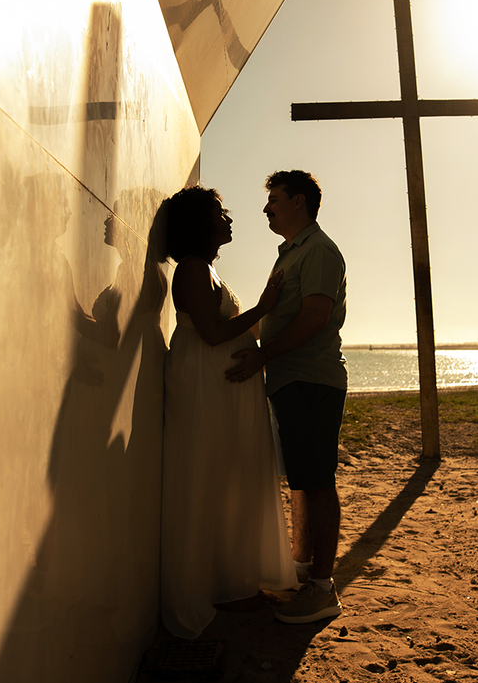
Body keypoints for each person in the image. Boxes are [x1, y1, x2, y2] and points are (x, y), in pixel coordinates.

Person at [159, 185, 297, 639]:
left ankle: (232, 582)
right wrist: (265, 305)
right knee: (208, 479)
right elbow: (213, 333)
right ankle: (220, 587)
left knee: (226, 481)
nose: (231, 220)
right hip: (204, 388)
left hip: (218, 389)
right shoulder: (194, 270)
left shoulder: (209, 270)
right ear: (201, 225)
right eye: (221, 214)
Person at [226, 170, 347, 624]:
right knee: (301, 478)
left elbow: (316, 316)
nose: (266, 208)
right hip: (288, 379)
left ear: (299, 201)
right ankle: (303, 569)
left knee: (317, 480)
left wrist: (261, 357)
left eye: (273, 199)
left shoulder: (318, 251)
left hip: (311, 379)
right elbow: (269, 322)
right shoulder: (289, 255)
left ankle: (322, 588)